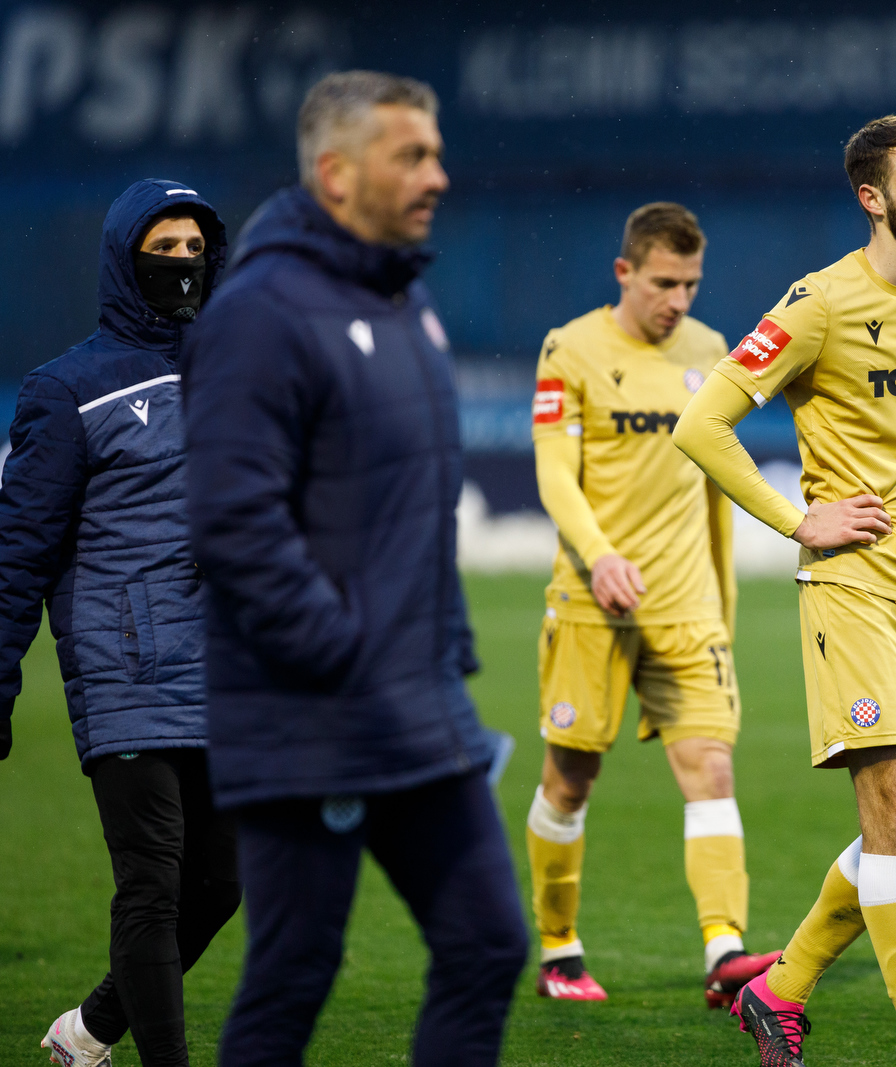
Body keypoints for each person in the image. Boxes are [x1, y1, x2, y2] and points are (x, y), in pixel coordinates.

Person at [181, 71, 527, 1066]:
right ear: (336, 174)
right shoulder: (259, 312)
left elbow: (405, 508)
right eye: (410, 155)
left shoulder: (404, 296)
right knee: (292, 975)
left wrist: (436, 650)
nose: (438, 175)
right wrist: (338, 648)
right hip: (312, 712)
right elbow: (231, 518)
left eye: (435, 150)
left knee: (487, 941)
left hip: (418, 708)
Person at [675, 114, 896, 1067]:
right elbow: (703, 424)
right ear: (873, 198)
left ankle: (778, 991)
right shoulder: (819, 304)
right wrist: (798, 519)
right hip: (853, 589)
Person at [0, 179, 235, 1067]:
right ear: (122, 258)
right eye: (162, 249)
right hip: (123, 664)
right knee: (151, 883)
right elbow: (18, 552)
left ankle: (91, 1030)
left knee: (218, 886)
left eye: (193, 249)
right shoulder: (66, 389)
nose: (181, 264)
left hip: (220, 667)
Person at [526, 201, 778, 1006]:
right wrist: (598, 556)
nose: (679, 299)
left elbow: (717, 484)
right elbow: (556, 472)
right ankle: (559, 945)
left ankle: (725, 951)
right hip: (592, 600)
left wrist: (723, 599)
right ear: (624, 273)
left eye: (692, 284)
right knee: (571, 778)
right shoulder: (569, 349)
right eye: (664, 282)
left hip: (686, 604)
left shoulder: (712, 354)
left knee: (711, 765)